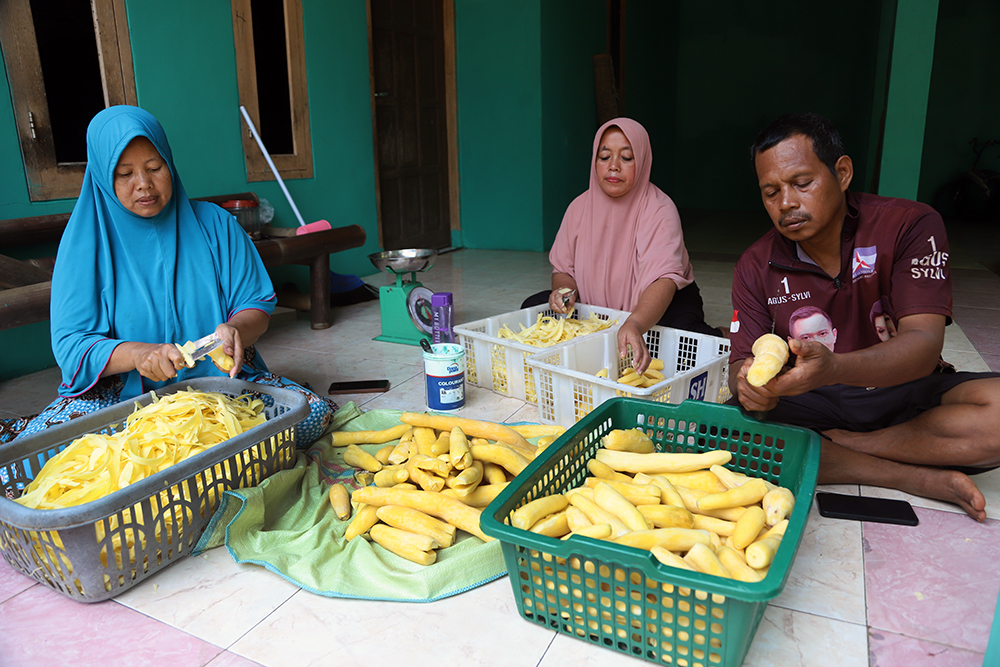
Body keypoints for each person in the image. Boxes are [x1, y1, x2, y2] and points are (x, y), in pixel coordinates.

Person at [0, 105, 338, 449]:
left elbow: (254, 303)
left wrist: (237, 330)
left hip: (222, 386)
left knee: (312, 414)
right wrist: (139, 356)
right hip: (120, 399)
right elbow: (73, 346)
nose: (144, 185)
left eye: (154, 167)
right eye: (124, 173)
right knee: (29, 458)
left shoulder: (216, 225)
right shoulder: (86, 245)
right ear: (102, 176)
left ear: (169, 163)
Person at [730, 112, 1000, 522]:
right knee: (730, 435)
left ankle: (848, 447)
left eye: (802, 184)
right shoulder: (755, 264)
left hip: (902, 388)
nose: (786, 203)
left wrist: (833, 367)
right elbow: (740, 363)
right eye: (770, 192)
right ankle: (915, 477)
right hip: (811, 400)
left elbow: (924, 347)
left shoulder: (909, 224)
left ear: (841, 172)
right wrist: (752, 387)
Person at [522, 118, 723, 373]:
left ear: (642, 161)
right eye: (604, 157)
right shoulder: (578, 208)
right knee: (533, 309)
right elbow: (563, 269)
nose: (614, 166)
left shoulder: (660, 209)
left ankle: (722, 334)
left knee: (685, 349)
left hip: (661, 299)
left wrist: (636, 323)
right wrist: (565, 292)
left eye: (627, 158)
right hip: (596, 305)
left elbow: (664, 280)